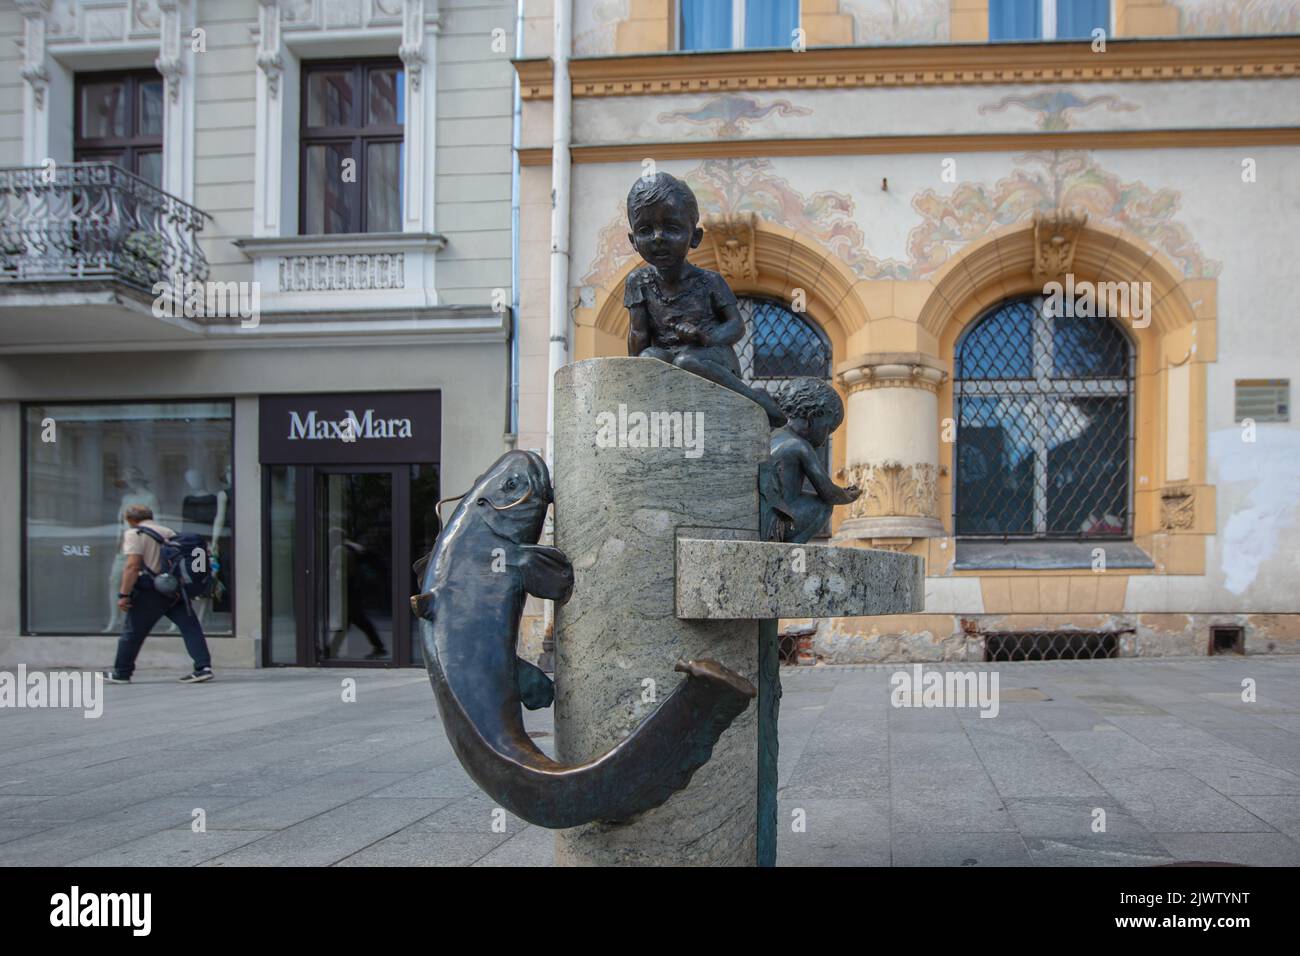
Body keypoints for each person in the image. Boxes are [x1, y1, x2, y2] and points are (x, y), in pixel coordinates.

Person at [624, 171, 786, 427]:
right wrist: (635, 377)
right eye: (646, 230)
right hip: (669, 359)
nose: (658, 237)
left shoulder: (709, 282)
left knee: (687, 360)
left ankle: (754, 400)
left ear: (695, 237)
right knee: (649, 360)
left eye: (672, 228)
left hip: (711, 357)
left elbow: (736, 326)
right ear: (633, 241)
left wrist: (706, 337)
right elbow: (638, 335)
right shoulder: (638, 283)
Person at [103, 504, 214, 684]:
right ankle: (203, 668)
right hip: (175, 589)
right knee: (190, 627)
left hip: (150, 590)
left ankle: (121, 673)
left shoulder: (134, 534)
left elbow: (132, 566)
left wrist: (123, 595)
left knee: (132, 632)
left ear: (130, 520)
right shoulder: (168, 531)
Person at [766, 377, 861, 543]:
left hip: (766, 515)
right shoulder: (800, 446)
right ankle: (794, 547)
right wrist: (847, 495)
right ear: (812, 417)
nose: (825, 441)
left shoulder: (772, 436)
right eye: (828, 429)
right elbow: (828, 493)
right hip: (780, 521)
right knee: (823, 505)